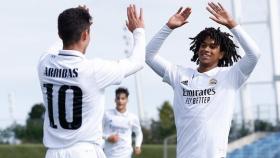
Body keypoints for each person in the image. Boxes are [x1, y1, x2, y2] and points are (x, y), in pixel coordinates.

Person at [146, 2, 261, 158]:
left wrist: (232, 24)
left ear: (221, 54)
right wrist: (168, 27)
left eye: (213, 46)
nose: (206, 49)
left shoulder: (230, 76)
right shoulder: (180, 74)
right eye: (203, 45)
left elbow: (254, 54)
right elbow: (148, 56)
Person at [37, 5, 145, 158]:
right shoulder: (93, 70)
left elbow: (56, 44)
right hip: (83, 151)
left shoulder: (44, 63)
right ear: (85, 34)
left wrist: (70, 25)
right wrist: (138, 30)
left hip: (53, 153)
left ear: (60, 34)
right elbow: (137, 62)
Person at [103, 87, 143, 158]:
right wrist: (108, 137)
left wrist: (137, 146)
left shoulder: (132, 117)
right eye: (118, 98)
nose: (120, 101)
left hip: (126, 154)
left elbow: (138, 133)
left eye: (123, 98)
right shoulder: (106, 114)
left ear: (127, 100)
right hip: (108, 154)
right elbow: (97, 132)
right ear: (115, 100)